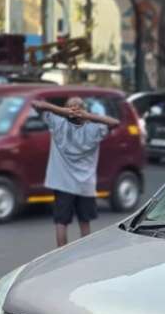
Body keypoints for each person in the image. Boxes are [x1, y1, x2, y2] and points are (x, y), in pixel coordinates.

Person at [31, 97, 120, 246]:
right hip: (85, 186)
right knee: (84, 223)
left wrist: (62, 111)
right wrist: (88, 116)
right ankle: (83, 256)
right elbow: (115, 123)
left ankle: (60, 257)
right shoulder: (94, 128)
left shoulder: (57, 123)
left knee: (61, 223)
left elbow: (37, 104)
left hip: (62, 184)